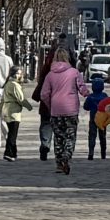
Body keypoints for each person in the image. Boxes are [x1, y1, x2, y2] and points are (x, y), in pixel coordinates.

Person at [36, 43, 84, 176]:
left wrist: (50, 104)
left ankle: (58, 163)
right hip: (71, 109)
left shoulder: (50, 75)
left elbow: (44, 94)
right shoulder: (74, 72)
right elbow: (82, 88)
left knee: (58, 137)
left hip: (56, 109)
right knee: (70, 135)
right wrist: (89, 95)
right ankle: (67, 156)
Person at [0, 63, 31, 160]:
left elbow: (2, 100)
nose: (20, 76)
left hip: (7, 110)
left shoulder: (7, 84)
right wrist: (29, 106)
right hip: (13, 112)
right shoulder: (14, 85)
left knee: (11, 132)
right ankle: (9, 152)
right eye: (18, 73)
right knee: (13, 134)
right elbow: (20, 99)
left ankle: (13, 152)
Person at [84, 66, 110, 159]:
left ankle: (91, 153)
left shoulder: (90, 97)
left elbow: (85, 107)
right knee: (102, 137)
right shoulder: (105, 96)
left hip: (93, 118)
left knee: (92, 135)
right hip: (103, 120)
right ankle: (103, 153)